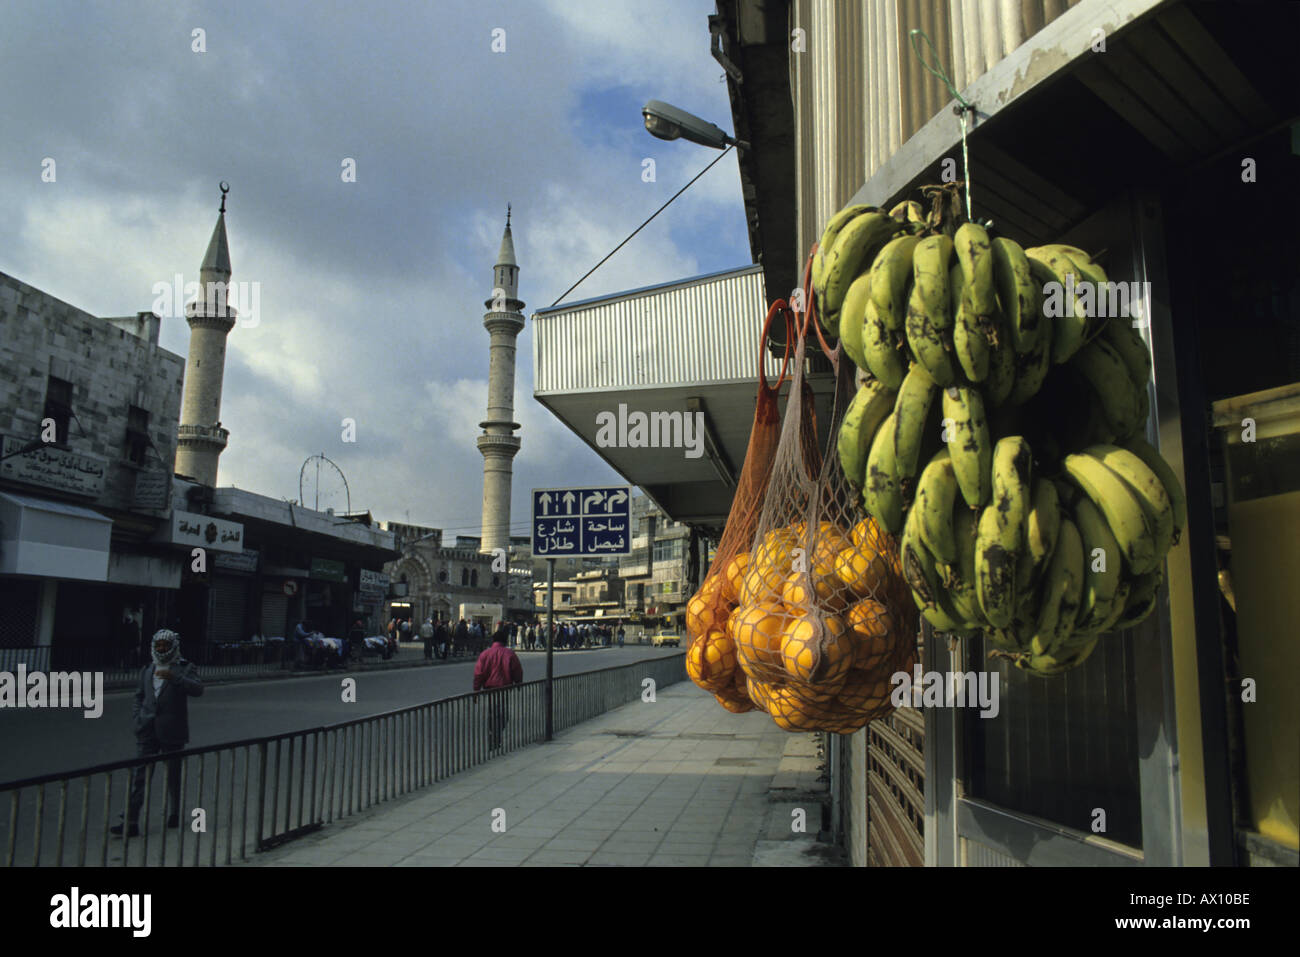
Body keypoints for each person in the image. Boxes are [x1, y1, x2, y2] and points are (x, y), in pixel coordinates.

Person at [112, 630, 204, 837]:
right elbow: (139, 696)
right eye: (159, 645)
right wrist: (138, 718)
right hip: (147, 730)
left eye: (165, 645)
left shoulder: (184, 667)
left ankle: (174, 812)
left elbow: (198, 689)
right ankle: (131, 820)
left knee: (173, 774)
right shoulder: (147, 668)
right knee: (140, 776)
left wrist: (175, 678)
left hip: (172, 730)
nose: (162, 649)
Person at [473, 624, 523, 753]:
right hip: (504, 688)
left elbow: (479, 674)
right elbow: (517, 670)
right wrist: (518, 683)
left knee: (492, 713)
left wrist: (476, 691)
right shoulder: (510, 654)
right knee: (503, 715)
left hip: (489, 689)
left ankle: (493, 735)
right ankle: (496, 735)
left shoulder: (485, 654)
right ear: (505, 641)